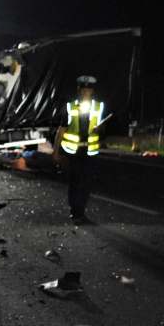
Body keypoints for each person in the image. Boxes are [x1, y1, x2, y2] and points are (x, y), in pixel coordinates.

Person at [54, 76, 106, 224]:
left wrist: (100, 129)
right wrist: (56, 151)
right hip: (74, 151)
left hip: (90, 151)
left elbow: (102, 129)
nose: (85, 93)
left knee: (86, 183)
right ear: (79, 91)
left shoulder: (98, 107)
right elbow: (62, 130)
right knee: (75, 181)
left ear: (92, 91)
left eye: (88, 90)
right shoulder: (70, 107)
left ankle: (80, 212)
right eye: (83, 90)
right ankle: (75, 212)